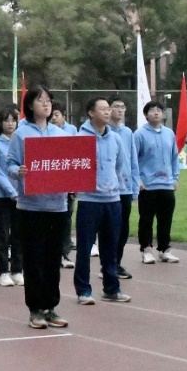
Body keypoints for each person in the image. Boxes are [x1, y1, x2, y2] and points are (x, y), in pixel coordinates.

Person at [7, 85, 70, 330]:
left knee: (53, 259)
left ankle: (50, 307)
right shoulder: (21, 134)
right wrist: (19, 171)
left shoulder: (61, 134)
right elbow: (10, 164)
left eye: (49, 100)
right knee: (33, 259)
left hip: (57, 206)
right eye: (40, 100)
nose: (46, 104)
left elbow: (68, 165)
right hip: (31, 207)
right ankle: (35, 309)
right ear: (30, 105)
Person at [75, 97, 131, 305]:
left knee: (110, 248)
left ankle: (112, 288)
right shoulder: (80, 138)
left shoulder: (115, 139)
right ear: (91, 113)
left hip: (112, 199)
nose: (108, 112)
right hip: (89, 201)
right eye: (103, 109)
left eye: (109, 109)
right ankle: (83, 290)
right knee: (84, 248)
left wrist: (114, 185)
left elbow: (120, 166)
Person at [135, 100, 180, 265]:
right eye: (152, 110)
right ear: (146, 115)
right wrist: (138, 179)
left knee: (166, 219)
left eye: (159, 110)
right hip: (147, 185)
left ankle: (164, 249)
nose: (156, 113)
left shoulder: (169, 134)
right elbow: (134, 159)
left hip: (166, 184)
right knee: (146, 219)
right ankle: (146, 249)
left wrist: (175, 178)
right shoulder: (139, 134)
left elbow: (174, 157)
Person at [0, 106, 23, 287]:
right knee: (2, 235)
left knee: (19, 235)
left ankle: (17, 270)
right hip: (3, 197)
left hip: (21, 197)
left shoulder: (20, 142)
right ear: (1, 123)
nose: (10, 124)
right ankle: (3, 271)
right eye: (6, 120)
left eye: (13, 120)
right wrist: (11, 192)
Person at [108, 95, 139, 280]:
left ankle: (116, 262)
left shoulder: (128, 132)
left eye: (123, 107)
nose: (120, 110)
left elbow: (133, 160)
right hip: (110, 189)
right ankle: (108, 264)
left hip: (126, 188)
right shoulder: (104, 132)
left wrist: (135, 186)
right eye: (116, 106)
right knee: (110, 229)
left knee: (123, 229)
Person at [50, 101, 78, 268]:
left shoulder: (72, 130)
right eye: (51, 115)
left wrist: (74, 184)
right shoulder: (45, 131)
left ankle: (64, 254)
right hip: (50, 182)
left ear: (63, 116)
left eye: (57, 115)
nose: (54, 118)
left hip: (67, 182)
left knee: (66, 219)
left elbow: (76, 156)